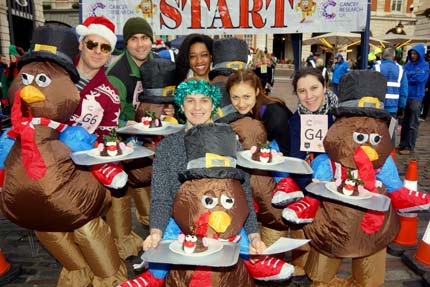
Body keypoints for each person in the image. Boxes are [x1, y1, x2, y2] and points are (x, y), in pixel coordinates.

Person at [119, 79, 291, 286]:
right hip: (183, 231)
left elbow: (242, 196)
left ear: (213, 105)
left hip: (227, 230)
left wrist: (254, 236)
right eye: (190, 101)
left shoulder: (228, 142)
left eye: (204, 100)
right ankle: (154, 275)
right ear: (181, 106)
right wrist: (156, 233)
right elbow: (162, 198)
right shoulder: (167, 147)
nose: (197, 107)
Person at [67, 16, 120, 142]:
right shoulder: (57, 74)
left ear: (109, 54)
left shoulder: (111, 96)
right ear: (81, 45)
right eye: (92, 45)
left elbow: (106, 139)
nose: (98, 51)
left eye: (105, 48)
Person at [107, 17, 160, 127]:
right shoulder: (116, 75)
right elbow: (108, 119)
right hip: (127, 138)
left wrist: (170, 109)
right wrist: (125, 125)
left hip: (158, 129)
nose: (140, 44)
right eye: (134, 39)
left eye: (144, 38)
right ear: (126, 43)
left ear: (151, 40)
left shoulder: (159, 64)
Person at [226, 68, 292, 155]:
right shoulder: (249, 110)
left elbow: (288, 153)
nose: (241, 104)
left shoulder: (275, 115)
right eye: (235, 97)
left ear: (257, 91)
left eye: (246, 97)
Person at [373, 46, 408, 146]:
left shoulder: (376, 67)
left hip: (378, 107)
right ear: (394, 56)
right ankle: (389, 155)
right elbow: (404, 90)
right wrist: (402, 106)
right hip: (393, 108)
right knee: (391, 132)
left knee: (377, 131)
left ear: (382, 56)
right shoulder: (401, 69)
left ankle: (377, 153)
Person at [398, 44, 429, 155]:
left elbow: (420, 78)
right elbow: (402, 76)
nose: (413, 55)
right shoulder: (408, 64)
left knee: (412, 123)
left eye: (415, 53)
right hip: (406, 96)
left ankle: (409, 146)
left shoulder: (425, 65)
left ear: (420, 54)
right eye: (412, 53)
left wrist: (408, 76)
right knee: (404, 122)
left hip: (416, 97)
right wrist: (412, 75)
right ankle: (402, 144)